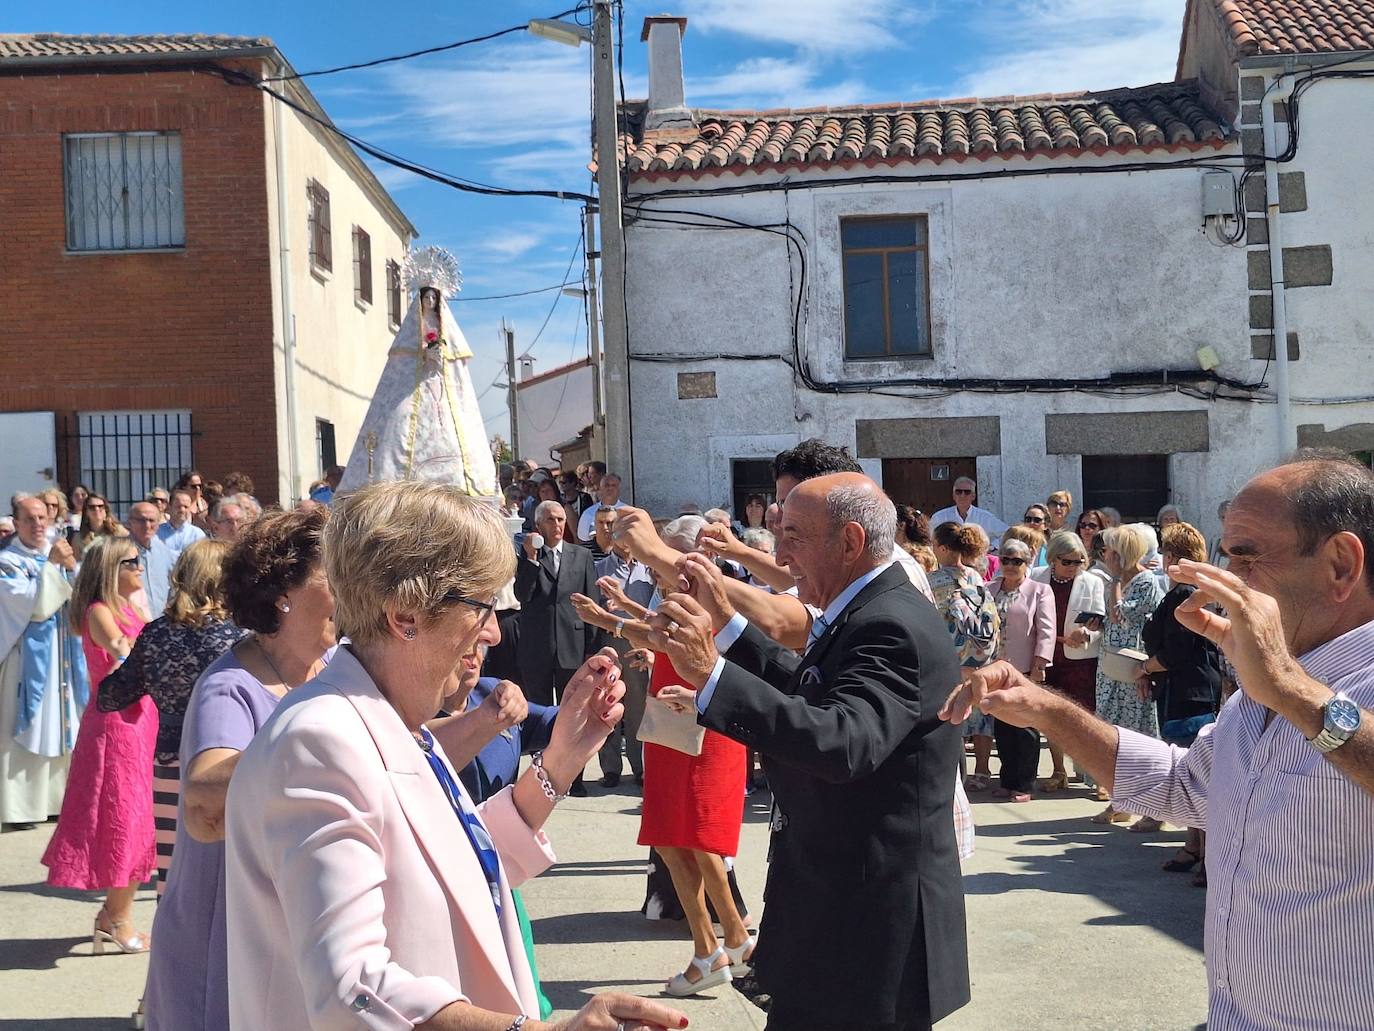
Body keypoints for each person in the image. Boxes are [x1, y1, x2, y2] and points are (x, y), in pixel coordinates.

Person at [222, 480, 685, 1031]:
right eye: (481, 607)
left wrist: (561, 758)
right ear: (405, 615)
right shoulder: (318, 743)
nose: (492, 631)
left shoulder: (388, 720)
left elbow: (460, 861)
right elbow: (352, 988)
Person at [940, 449, 1374, 1031]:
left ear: (1341, 565)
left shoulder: (1292, 677)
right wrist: (1047, 710)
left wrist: (1289, 687)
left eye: (1245, 558)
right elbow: (1184, 785)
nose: (1223, 580)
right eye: (1225, 556)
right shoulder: (1265, 683)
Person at [650, 473, 970, 1030]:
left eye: (793, 535)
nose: (778, 553)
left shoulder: (889, 622)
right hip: (838, 910)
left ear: (849, 542)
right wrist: (725, 628)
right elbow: (810, 683)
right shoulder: (868, 605)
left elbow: (842, 740)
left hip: (868, 927)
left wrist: (712, 677)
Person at [143, 507, 333, 1031]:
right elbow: (204, 797)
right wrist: (313, 741)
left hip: (284, 930)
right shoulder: (230, 687)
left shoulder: (329, 668)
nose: (351, 586)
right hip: (223, 939)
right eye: (333, 572)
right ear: (282, 594)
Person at [97, 540, 244, 898]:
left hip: (170, 764)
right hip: (227, 763)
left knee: (174, 876)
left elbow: (111, 696)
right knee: (230, 877)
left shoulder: (158, 633)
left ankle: (174, 952)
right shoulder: (242, 636)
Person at [42, 537, 153, 955]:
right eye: (132, 561)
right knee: (121, 824)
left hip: (140, 724)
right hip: (114, 730)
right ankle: (117, 919)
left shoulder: (129, 607)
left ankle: (113, 916)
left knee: (139, 823)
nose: (140, 567)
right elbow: (126, 653)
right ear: (112, 569)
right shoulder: (99, 612)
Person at [1136, 522, 1222, 884]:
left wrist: (1145, 667)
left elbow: (1178, 651)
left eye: (1163, 552)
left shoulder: (1184, 595)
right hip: (1185, 690)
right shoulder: (1188, 592)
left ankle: (1208, 859)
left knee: (1198, 773)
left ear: (1172, 557)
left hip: (1192, 692)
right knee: (1189, 772)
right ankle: (1192, 847)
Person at [0, 497, 86, 828]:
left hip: (62, 658)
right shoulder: (8, 562)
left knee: (63, 726)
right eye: (30, 519)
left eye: (42, 518)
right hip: (26, 663)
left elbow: (78, 595)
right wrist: (53, 567)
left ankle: (57, 801)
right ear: (17, 524)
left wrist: (68, 567)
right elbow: (32, 608)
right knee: (26, 728)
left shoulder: (55, 555)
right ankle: (20, 808)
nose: (38, 524)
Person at [1091, 523, 1165, 826]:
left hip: (1133, 670)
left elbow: (1124, 615)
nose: (1106, 554)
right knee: (1113, 736)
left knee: (1138, 740)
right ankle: (1119, 801)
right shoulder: (1121, 581)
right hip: (1113, 670)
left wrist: (1116, 580)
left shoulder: (1145, 581)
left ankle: (1152, 807)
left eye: (1111, 549)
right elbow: (1113, 618)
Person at [1030, 531, 1105, 790]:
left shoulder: (1092, 582)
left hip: (1080, 659)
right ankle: (1058, 770)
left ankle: (1098, 776)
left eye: (1079, 562)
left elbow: (1100, 623)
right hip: (1048, 657)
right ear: (1053, 559)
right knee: (1051, 716)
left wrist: (1086, 633)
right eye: (1067, 562)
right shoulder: (1036, 577)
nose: (1073, 567)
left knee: (1084, 718)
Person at [930, 521, 1000, 790]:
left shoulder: (933, 581)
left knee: (951, 712)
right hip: (978, 654)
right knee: (980, 709)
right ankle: (982, 771)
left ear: (944, 548)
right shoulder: (975, 576)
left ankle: (956, 773)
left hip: (948, 656)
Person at [515, 500, 599, 715]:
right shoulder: (527, 555)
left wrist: (591, 647)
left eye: (560, 519)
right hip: (537, 645)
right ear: (538, 525)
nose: (557, 525)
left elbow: (592, 601)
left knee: (571, 704)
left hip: (572, 643)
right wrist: (531, 560)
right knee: (537, 706)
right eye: (550, 520)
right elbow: (522, 595)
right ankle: (539, 747)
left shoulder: (581, 555)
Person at [590, 506, 654, 787]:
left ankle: (640, 767)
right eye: (612, 528)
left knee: (639, 707)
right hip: (611, 645)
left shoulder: (648, 571)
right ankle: (611, 768)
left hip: (640, 645)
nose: (618, 533)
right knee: (609, 703)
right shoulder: (598, 568)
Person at [988, 539, 1054, 802]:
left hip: (1025, 667)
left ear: (1027, 563)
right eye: (1006, 559)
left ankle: (1024, 783)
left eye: (1017, 561)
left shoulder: (1040, 590)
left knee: (1024, 725)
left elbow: (1047, 630)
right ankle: (1007, 779)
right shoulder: (989, 588)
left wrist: (1040, 663)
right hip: (994, 667)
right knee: (1002, 725)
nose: (1011, 565)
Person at [930, 475, 1008, 546]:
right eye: (958, 492)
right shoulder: (940, 517)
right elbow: (929, 539)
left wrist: (992, 546)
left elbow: (1009, 533)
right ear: (953, 496)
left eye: (967, 492)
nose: (962, 495)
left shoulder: (985, 517)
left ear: (973, 496)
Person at [156, 489, 206, 562]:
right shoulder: (157, 532)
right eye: (178, 506)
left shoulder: (197, 535)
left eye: (186, 507)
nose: (182, 510)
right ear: (169, 507)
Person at [576, 471, 626, 542]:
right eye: (606, 485)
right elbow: (582, 538)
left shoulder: (628, 512)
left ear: (619, 489)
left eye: (613, 485)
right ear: (600, 489)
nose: (610, 488)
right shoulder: (588, 514)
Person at [77, 492, 125, 559]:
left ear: (106, 510)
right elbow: (76, 564)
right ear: (86, 512)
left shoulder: (119, 531)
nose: (97, 509)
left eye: (100, 506)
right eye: (92, 507)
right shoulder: (78, 537)